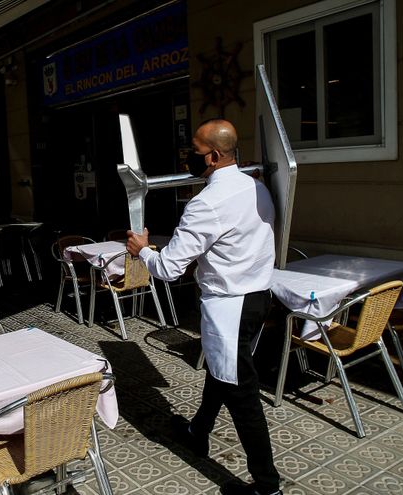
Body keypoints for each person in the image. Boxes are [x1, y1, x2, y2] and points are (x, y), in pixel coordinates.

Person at [126, 119, 281, 495]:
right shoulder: (257, 186)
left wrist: (142, 250)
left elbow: (169, 268)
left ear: (212, 157)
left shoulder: (206, 204)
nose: (187, 160)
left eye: (193, 153)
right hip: (259, 297)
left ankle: (267, 486)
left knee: (241, 393)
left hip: (229, 305)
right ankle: (198, 431)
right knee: (222, 369)